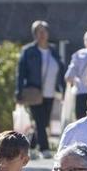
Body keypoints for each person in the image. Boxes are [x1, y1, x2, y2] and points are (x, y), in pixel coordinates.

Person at [16, 21, 62, 153]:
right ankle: (44, 148)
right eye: (38, 31)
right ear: (34, 34)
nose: (42, 34)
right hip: (34, 91)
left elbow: (61, 69)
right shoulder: (28, 51)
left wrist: (62, 88)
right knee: (40, 120)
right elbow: (21, 72)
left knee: (43, 121)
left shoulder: (53, 51)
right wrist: (18, 91)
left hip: (50, 92)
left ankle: (30, 145)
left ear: (48, 33)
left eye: (44, 31)